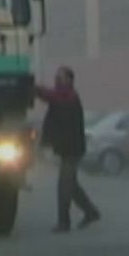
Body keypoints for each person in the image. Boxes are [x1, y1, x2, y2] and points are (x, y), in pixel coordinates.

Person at [36, 66, 101, 233]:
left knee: (64, 186)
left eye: (60, 77)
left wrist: (34, 88)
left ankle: (64, 222)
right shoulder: (65, 95)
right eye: (56, 76)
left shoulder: (68, 96)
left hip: (73, 149)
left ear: (69, 80)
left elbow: (51, 96)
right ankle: (91, 212)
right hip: (69, 148)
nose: (56, 79)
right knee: (70, 184)